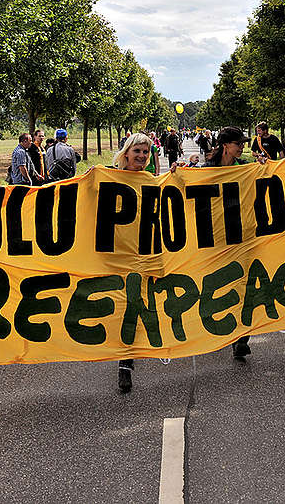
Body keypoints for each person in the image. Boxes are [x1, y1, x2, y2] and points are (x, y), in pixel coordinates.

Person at [107, 132, 155, 392]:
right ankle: (125, 360)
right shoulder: (109, 180)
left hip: (146, 255)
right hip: (118, 256)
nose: (141, 156)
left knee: (139, 304)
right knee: (126, 305)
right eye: (137, 151)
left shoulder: (151, 181)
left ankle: (128, 359)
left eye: (146, 152)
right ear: (126, 153)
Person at [202, 126, 253, 359]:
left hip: (241, 237)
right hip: (214, 239)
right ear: (225, 146)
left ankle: (241, 338)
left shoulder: (244, 168)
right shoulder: (206, 170)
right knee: (219, 285)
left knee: (243, 285)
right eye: (238, 143)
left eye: (242, 143)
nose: (242, 147)